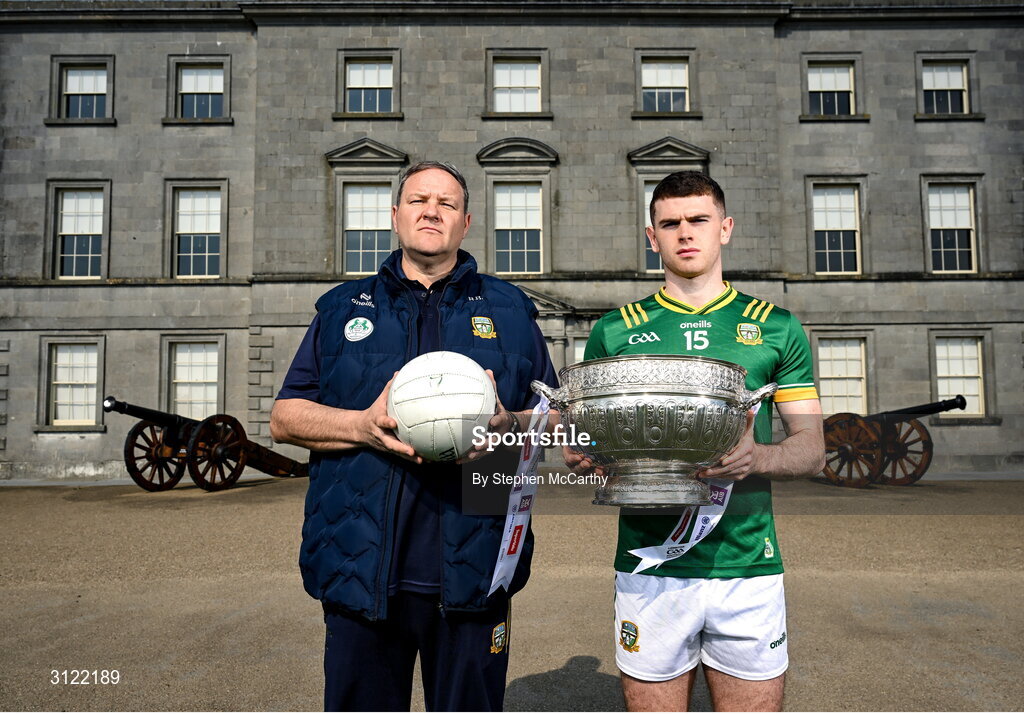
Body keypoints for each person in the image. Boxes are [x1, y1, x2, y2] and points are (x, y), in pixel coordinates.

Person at [271, 161, 557, 712]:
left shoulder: (513, 311)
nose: (432, 211)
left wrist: (505, 427)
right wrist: (359, 425)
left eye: (447, 204)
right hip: (360, 571)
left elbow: (557, 425)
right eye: (419, 200)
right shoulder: (339, 310)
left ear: (467, 221)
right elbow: (285, 418)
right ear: (395, 214)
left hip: (476, 572)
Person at [567, 171, 825, 712]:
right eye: (671, 223)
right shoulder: (614, 330)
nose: (686, 232)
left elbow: (811, 447)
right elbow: (585, 444)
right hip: (649, 566)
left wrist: (758, 456)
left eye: (699, 220)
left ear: (724, 228)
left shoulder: (777, 327)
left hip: (748, 565)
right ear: (651, 236)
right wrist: (584, 456)